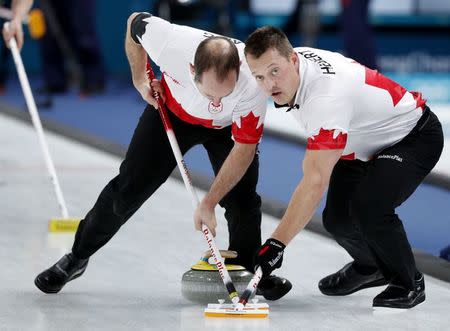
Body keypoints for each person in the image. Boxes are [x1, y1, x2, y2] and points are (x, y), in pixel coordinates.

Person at [33, 13, 292, 301]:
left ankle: (250, 273)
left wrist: (208, 202)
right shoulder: (171, 44)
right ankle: (77, 257)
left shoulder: (252, 83)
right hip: (172, 113)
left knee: (242, 198)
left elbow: (243, 151)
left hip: (227, 128)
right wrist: (139, 77)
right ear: (191, 69)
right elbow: (133, 23)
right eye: (211, 95)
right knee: (127, 191)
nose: (217, 103)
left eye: (225, 94)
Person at [244, 26, 443, 309]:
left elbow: (314, 181)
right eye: (259, 76)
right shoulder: (286, 63)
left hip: (411, 138)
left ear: (293, 61)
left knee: (369, 208)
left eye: (274, 72)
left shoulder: (325, 99)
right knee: (337, 220)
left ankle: (408, 282)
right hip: (359, 142)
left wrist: (276, 244)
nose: (268, 84)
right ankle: (369, 266)